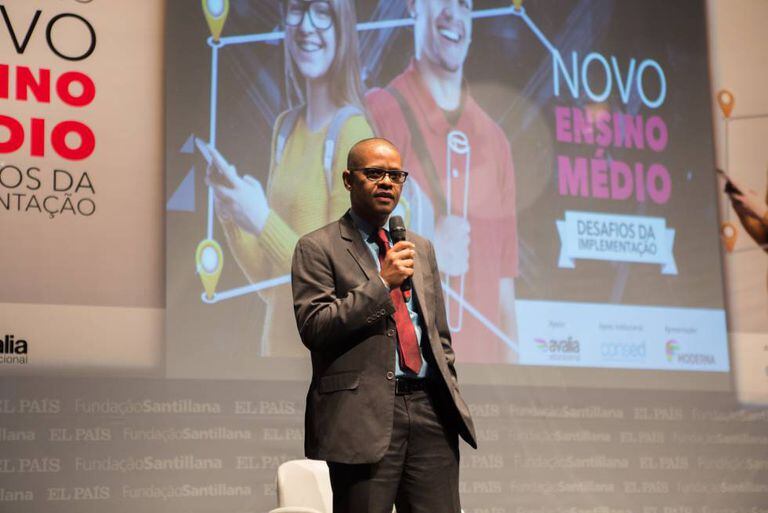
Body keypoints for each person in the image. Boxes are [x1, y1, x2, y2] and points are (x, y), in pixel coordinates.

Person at [291, 138, 477, 513]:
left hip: (430, 410)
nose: (387, 182)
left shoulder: (419, 247)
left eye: (395, 175)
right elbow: (315, 326)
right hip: (362, 416)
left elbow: (438, 335)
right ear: (349, 179)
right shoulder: (317, 247)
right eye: (375, 173)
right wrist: (382, 283)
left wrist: (447, 387)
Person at [207, 0, 373, 356]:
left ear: (342, 29)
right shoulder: (285, 127)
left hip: (323, 365)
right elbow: (271, 286)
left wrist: (261, 220)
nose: (306, 25)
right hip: (275, 357)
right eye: (297, 9)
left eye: (322, 12)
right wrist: (234, 216)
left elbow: (339, 281)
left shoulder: (354, 134)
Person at [365, 0, 519, 363]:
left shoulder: (495, 141)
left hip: (484, 381)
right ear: (413, 6)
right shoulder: (380, 112)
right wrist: (429, 244)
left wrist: (516, 376)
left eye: (464, 4)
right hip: (409, 377)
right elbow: (354, 258)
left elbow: (505, 292)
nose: (453, 13)